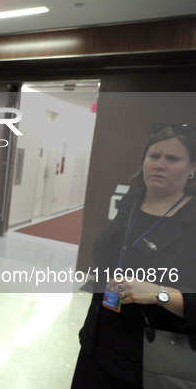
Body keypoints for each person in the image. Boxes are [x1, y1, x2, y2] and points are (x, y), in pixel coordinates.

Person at [72, 123, 196, 388]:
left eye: (172, 158)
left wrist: (158, 292)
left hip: (152, 355)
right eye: (154, 156)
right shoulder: (132, 200)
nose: (159, 164)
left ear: (192, 167)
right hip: (100, 335)